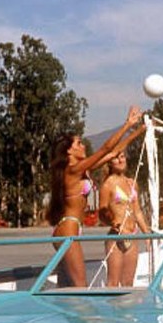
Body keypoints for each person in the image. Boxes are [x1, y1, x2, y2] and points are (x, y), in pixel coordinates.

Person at [46, 106, 145, 287]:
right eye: (79, 143)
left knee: (68, 289)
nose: (83, 145)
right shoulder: (72, 170)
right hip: (68, 230)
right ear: (69, 151)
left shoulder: (83, 170)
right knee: (80, 287)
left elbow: (113, 152)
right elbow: (105, 148)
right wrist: (127, 124)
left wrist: (139, 131)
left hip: (71, 228)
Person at [99, 151, 151, 287]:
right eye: (116, 158)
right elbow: (101, 213)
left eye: (122, 157)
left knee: (128, 283)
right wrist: (112, 222)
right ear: (110, 162)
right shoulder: (107, 185)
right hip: (116, 237)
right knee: (113, 283)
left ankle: (127, 303)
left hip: (132, 235)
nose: (121, 160)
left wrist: (147, 234)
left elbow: (137, 211)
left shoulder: (131, 183)